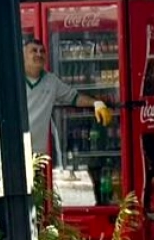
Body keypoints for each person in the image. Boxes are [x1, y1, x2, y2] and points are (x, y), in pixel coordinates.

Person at [22, 36, 113, 166]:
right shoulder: (15, 79)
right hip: (15, 149)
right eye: (34, 51)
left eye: (42, 51)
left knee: (35, 186)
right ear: (24, 55)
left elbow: (74, 98)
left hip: (37, 152)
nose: (39, 54)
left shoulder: (51, 81)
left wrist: (96, 103)